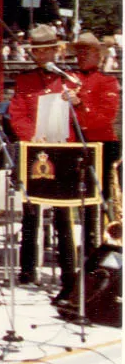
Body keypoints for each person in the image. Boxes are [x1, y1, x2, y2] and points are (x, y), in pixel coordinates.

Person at [10, 24, 80, 293]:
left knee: (64, 215)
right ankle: (27, 271)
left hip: (63, 149)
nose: (42, 56)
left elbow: (83, 118)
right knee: (31, 214)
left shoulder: (69, 79)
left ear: (56, 50)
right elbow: (17, 114)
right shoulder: (24, 80)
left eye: (47, 50)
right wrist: (30, 135)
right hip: (35, 149)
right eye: (37, 52)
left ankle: (69, 274)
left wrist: (76, 103)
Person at [70, 32, 121, 255]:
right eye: (79, 51)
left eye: (87, 51)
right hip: (74, 143)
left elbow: (105, 118)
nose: (82, 55)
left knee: (101, 201)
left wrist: (80, 105)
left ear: (99, 55)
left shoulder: (107, 81)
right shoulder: (68, 79)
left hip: (101, 144)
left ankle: (101, 248)